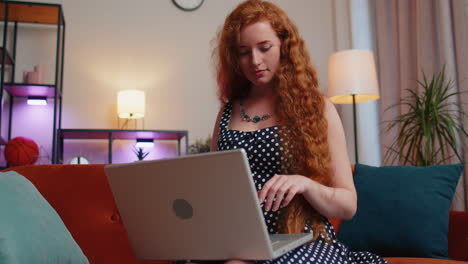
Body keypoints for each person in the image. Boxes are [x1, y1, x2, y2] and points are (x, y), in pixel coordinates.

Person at [177, 1, 387, 264]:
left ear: (285, 46)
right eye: (243, 52)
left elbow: (348, 205)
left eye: (264, 48)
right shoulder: (228, 112)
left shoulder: (317, 107)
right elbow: (216, 191)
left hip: (300, 237)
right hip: (238, 240)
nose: (255, 61)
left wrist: (305, 184)